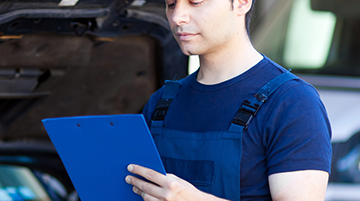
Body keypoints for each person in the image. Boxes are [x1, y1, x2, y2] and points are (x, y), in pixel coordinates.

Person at [124, 0, 332, 200]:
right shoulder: (161, 103)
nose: (177, 17)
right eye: (171, 4)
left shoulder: (292, 103)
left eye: (195, 2)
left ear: (242, 2)